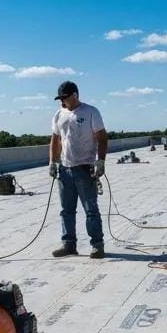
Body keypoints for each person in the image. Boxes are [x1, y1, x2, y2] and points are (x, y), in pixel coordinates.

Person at [49, 81, 108, 258]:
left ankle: (97, 245)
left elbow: (102, 138)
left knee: (91, 210)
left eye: (64, 98)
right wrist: (53, 161)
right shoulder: (59, 114)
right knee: (66, 210)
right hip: (65, 170)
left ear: (75, 95)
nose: (62, 102)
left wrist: (101, 162)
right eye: (60, 99)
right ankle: (68, 244)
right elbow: (55, 140)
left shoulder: (91, 112)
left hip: (85, 167)